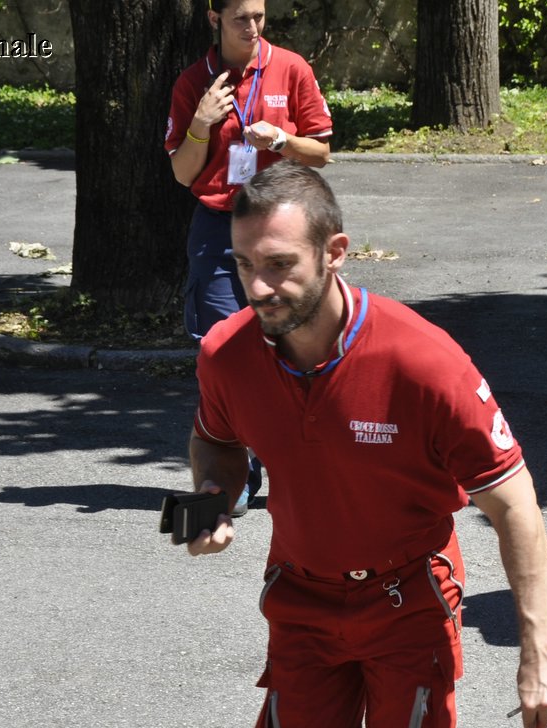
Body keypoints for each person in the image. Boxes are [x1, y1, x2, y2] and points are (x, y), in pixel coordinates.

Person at [180, 163, 547, 728]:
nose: (260, 284)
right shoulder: (229, 354)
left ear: (337, 252)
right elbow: (215, 442)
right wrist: (213, 502)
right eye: (246, 263)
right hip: (304, 600)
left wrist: (539, 651)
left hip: (408, 601)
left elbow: (516, 504)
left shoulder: (421, 359)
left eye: (280, 263)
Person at [165, 0, 333, 513]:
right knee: (224, 351)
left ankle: (301, 463)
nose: (253, 28)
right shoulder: (194, 81)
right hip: (218, 228)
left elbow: (322, 151)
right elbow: (183, 173)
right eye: (241, 18)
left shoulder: (290, 68)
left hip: (283, 225)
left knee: (292, 345)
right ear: (214, 19)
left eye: (260, 17)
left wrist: (282, 139)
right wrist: (201, 121)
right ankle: (238, 475)